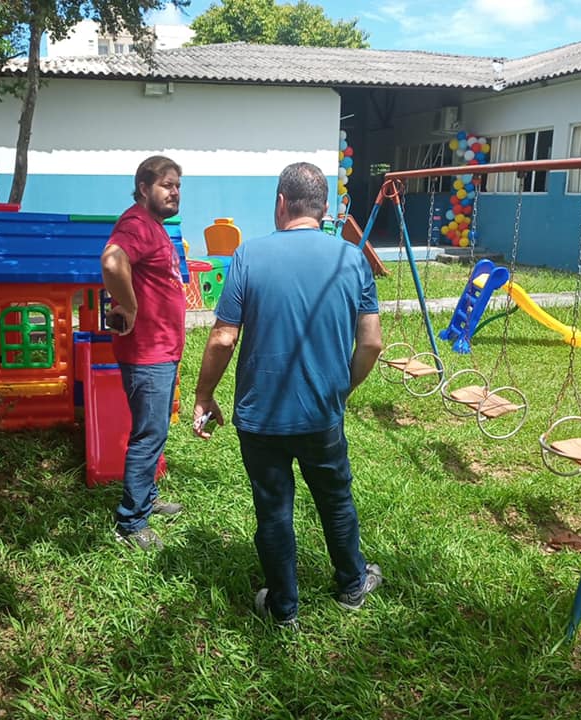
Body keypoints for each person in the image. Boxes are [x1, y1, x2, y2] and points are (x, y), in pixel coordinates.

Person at [192, 161, 385, 628]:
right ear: (324, 210)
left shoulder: (248, 256)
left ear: (281, 203)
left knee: (273, 510)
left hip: (260, 419)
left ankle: (283, 610)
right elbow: (372, 342)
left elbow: (221, 339)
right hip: (322, 414)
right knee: (335, 499)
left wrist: (204, 395)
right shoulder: (352, 258)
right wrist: (342, 389)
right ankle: (352, 585)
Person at [101, 155, 187, 552]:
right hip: (148, 354)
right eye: (166, 185)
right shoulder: (136, 223)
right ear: (143, 188)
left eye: (177, 186)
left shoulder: (154, 227)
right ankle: (131, 523)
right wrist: (130, 308)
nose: (174, 192)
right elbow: (112, 261)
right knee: (148, 436)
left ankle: (146, 500)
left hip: (162, 352)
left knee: (155, 432)